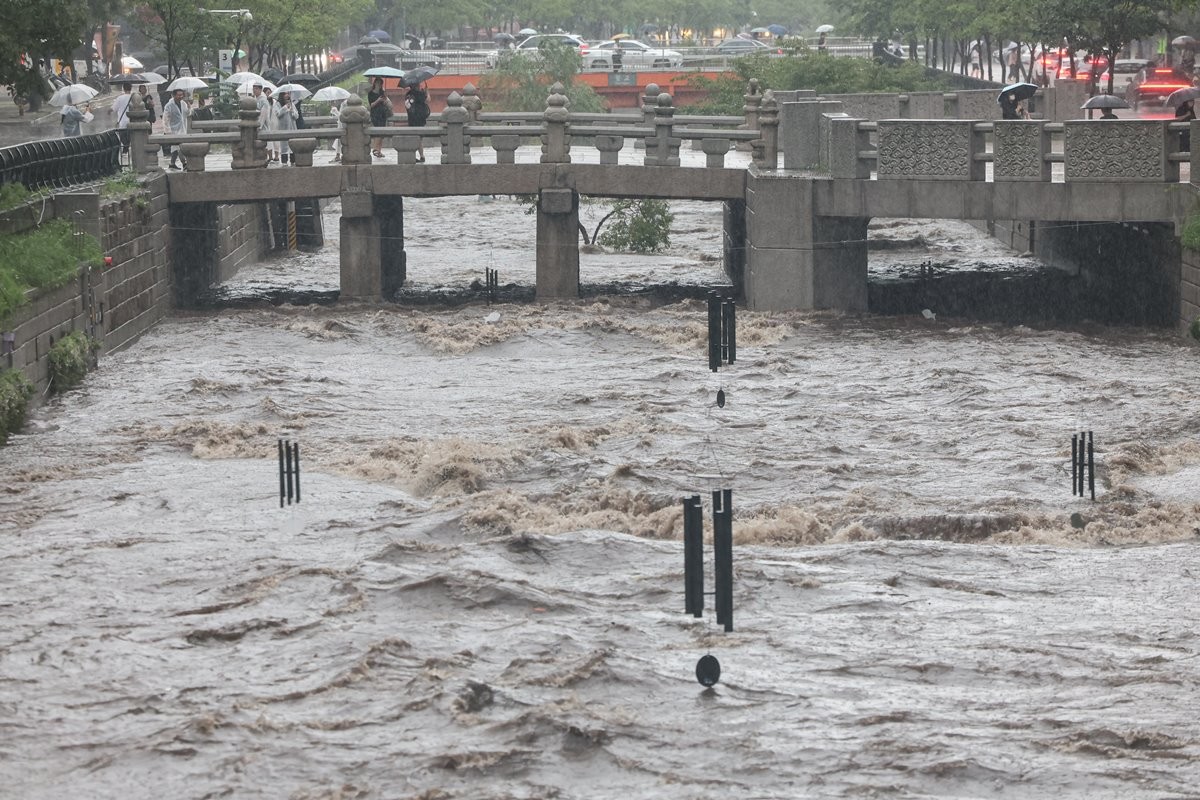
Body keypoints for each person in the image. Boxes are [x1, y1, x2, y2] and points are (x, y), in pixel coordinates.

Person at [162, 87, 190, 169]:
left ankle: (172, 163)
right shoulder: (169, 105)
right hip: (173, 129)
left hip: (182, 128)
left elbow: (187, 114)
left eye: (182, 95)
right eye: (178, 95)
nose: (180, 96)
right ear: (174, 95)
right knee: (178, 147)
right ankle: (184, 163)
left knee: (177, 148)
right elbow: (165, 118)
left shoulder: (183, 104)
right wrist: (167, 130)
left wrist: (189, 107)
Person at [405, 81, 430, 162]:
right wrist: (427, 91)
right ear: (416, 85)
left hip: (412, 118)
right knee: (418, 138)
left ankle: (420, 155)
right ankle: (419, 155)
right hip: (419, 119)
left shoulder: (408, 94)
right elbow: (428, 100)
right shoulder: (420, 94)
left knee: (416, 138)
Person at [367, 77, 390, 158]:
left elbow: (386, 102)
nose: (379, 85)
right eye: (378, 83)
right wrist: (378, 100)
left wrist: (385, 99)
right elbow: (371, 105)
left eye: (380, 84)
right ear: (375, 83)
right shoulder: (370, 93)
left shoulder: (382, 92)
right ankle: (375, 149)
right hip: (375, 114)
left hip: (382, 114)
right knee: (378, 131)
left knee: (382, 133)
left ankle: (379, 151)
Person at [274, 90, 299, 164]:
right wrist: (285, 108)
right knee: (284, 146)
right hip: (283, 128)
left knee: (293, 145)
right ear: (282, 95)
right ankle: (284, 161)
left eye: (288, 93)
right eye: (285, 93)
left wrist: (292, 111)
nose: (287, 95)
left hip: (292, 128)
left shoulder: (292, 104)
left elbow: (296, 116)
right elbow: (277, 114)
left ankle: (293, 160)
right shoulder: (278, 104)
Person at [112, 81, 132, 154]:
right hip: (131, 121)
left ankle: (125, 148)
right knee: (130, 136)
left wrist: (109, 111)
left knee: (123, 136)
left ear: (123, 89)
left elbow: (114, 108)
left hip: (122, 122)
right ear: (131, 88)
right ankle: (127, 148)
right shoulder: (133, 97)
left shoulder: (119, 98)